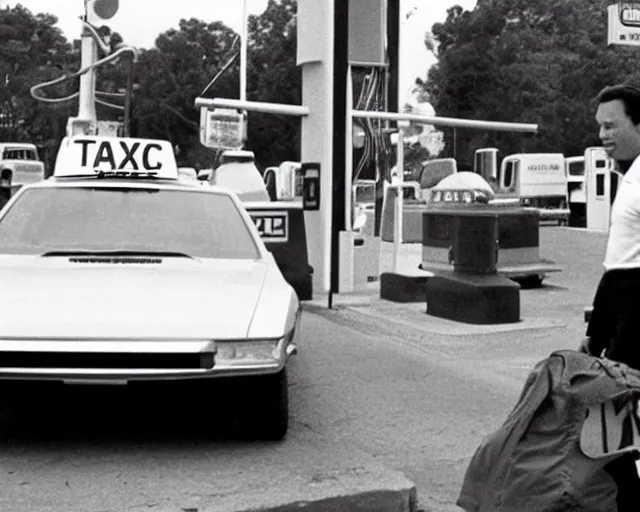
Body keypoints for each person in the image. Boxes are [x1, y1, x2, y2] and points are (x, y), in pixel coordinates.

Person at [581, 83, 640, 510]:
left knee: (607, 422)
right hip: (621, 308)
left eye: (611, 124)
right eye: (599, 126)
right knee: (611, 426)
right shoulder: (629, 175)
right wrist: (595, 330)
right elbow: (616, 263)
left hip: (636, 315)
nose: (603, 134)